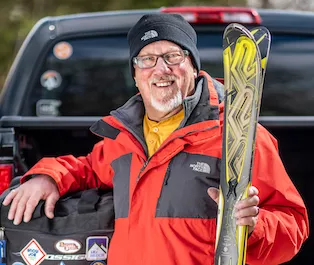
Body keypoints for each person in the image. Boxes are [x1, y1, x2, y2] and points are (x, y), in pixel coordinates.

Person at [2, 13, 309, 265]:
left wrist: (256, 228)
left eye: (172, 56)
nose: (160, 69)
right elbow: (86, 168)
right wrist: (48, 177)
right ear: (135, 74)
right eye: (146, 59)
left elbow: (294, 225)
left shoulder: (239, 137)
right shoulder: (123, 139)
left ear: (193, 65)